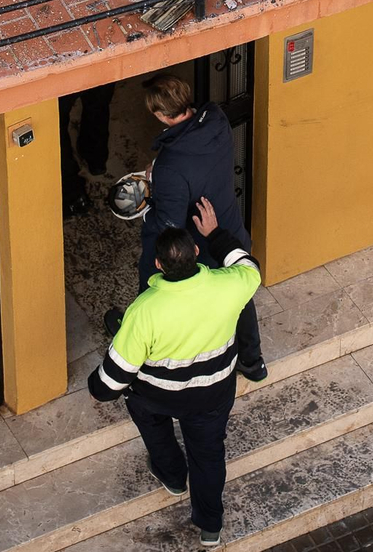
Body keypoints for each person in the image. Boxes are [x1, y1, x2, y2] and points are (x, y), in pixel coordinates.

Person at [88, 198, 260, 548]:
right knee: (209, 457)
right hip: (213, 395)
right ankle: (210, 526)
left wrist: (98, 384)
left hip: (157, 398)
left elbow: (110, 383)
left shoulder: (144, 312)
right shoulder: (230, 285)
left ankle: (172, 477)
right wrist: (216, 234)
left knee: (149, 420)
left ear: (157, 265)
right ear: (196, 251)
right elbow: (248, 266)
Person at [105, 74, 266, 381]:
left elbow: (169, 225)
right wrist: (162, 171)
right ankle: (252, 361)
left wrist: (149, 201)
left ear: (161, 115)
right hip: (229, 229)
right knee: (241, 297)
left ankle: (136, 339)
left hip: (200, 246)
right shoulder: (216, 119)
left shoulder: (171, 167)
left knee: (151, 278)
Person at [59, 82, 116, 216]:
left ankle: (73, 193)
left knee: (57, 123)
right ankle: (96, 161)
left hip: (63, 72)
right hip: (101, 65)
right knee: (98, 107)